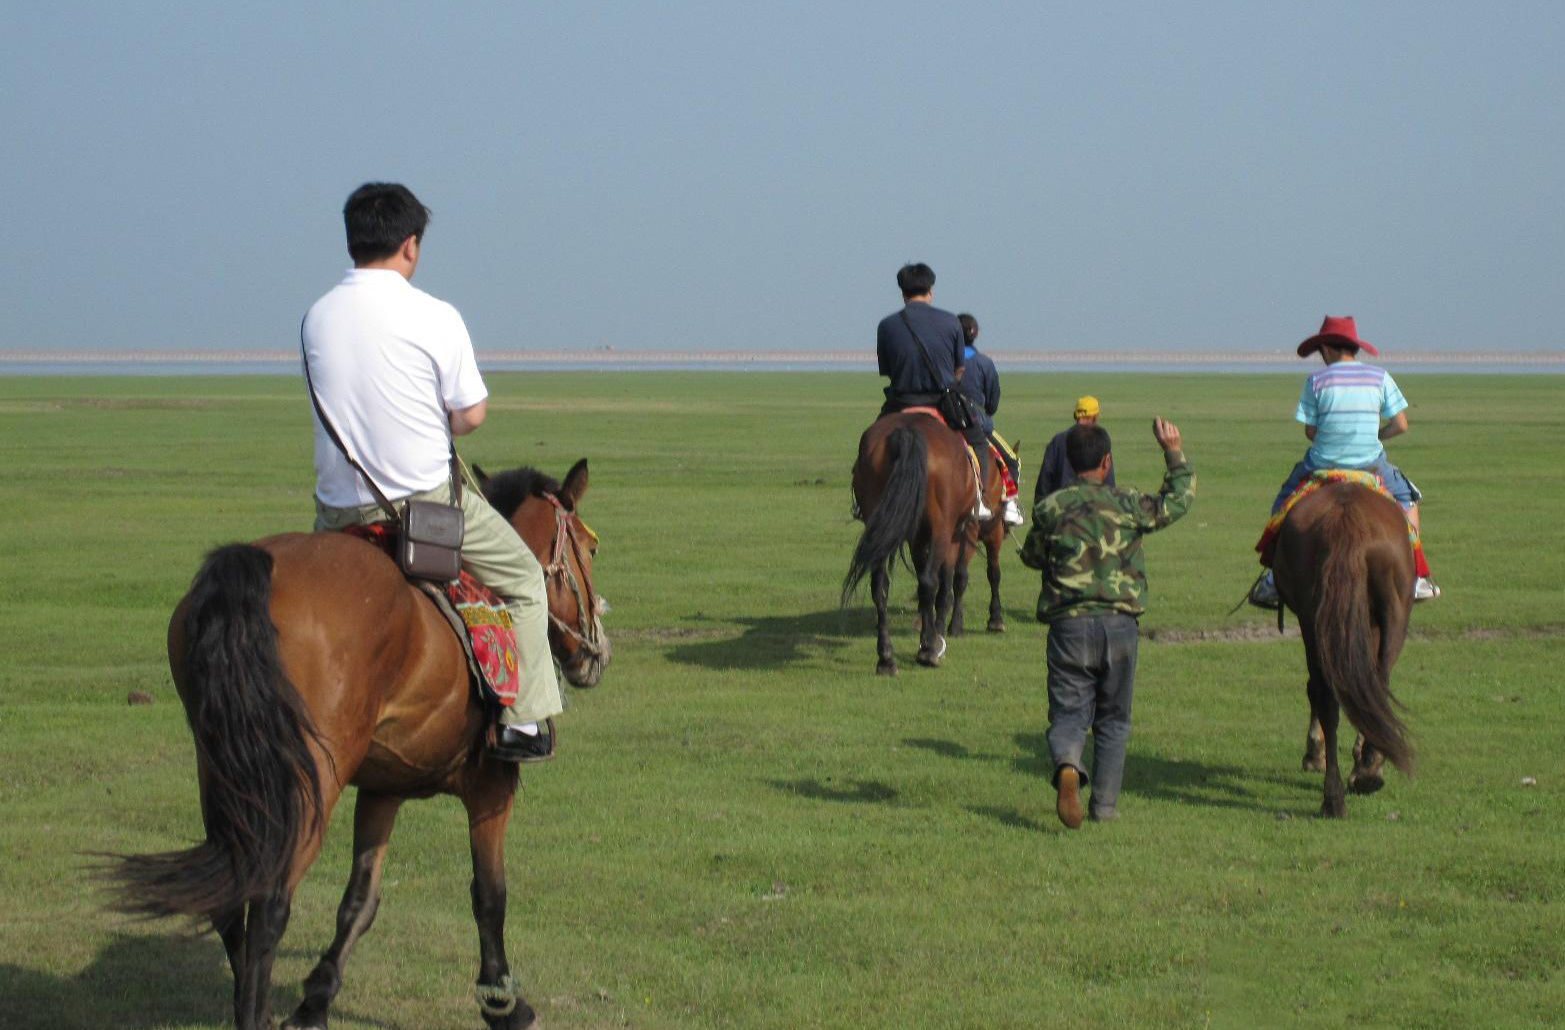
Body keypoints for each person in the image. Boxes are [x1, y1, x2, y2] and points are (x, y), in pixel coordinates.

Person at [302, 182, 563, 763]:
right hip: (424, 508)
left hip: (336, 512)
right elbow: (471, 414)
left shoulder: (315, 317)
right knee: (524, 577)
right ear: (411, 245)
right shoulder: (434, 314)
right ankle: (524, 722)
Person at [1019, 417, 1194, 828]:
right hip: (1120, 626)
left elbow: (1033, 555)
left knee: (1068, 714)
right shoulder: (1127, 503)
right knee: (1114, 719)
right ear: (1106, 462)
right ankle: (1105, 808)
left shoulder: (1050, 509)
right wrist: (1173, 452)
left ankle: (1067, 764)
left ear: (1069, 460)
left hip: (1069, 628)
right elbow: (1179, 499)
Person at [1249, 316, 1438, 608]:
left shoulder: (1315, 381)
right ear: (1353, 347)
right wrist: (1376, 434)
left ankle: (1274, 579)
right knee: (1408, 500)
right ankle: (1416, 579)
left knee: (1283, 503)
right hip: (1371, 465)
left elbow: (1310, 432)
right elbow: (1401, 424)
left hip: (1322, 466)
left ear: (1325, 348)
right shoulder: (1380, 377)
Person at [875, 262, 991, 520]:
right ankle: (980, 499)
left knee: (869, 443)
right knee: (978, 440)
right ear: (930, 290)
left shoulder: (886, 325)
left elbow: (886, 370)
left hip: (900, 400)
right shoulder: (951, 322)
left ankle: (866, 501)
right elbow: (959, 369)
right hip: (941, 400)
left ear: (902, 292)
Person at [955, 313, 1025, 526]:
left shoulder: (945, 361)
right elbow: (993, 401)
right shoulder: (984, 363)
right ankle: (1010, 506)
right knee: (1012, 459)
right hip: (977, 423)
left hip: (944, 420)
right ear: (975, 335)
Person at [1034, 395, 1116, 506]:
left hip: (1060, 512)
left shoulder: (1058, 441)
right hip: (1094, 513)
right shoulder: (1100, 440)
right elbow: (1109, 484)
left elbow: (1044, 482)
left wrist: (1041, 512)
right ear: (1095, 417)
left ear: (1075, 415)